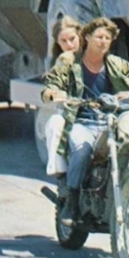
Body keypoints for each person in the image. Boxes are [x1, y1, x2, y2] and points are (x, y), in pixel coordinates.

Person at [41, 17, 129, 258]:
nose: (103, 41)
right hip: (83, 122)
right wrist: (53, 92)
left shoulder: (117, 64)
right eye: (99, 37)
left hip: (113, 121)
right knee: (82, 149)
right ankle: (71, 202)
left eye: (107, 38)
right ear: (87, 38)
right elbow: (53, 82)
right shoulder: (72, 63)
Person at [43, 15, 82, 177]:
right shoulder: (61, 61)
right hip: (70, 112)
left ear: (80, 35)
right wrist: (53, 92)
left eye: (72, 39)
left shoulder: (93, 56)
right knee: (55, 124)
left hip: (97, 110)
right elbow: (53, 82)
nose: (69, 45)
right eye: (63, 41)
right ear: (57, 43)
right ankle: (63, 177)